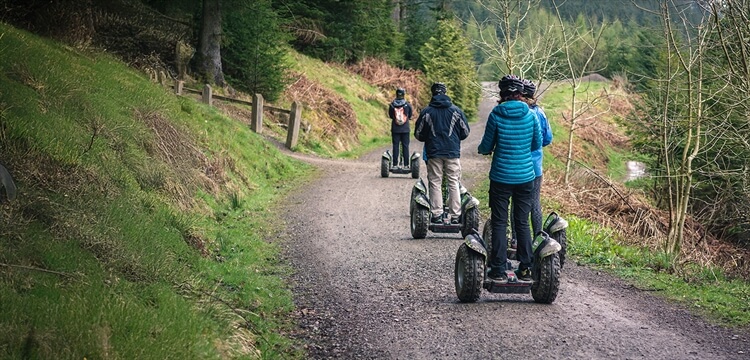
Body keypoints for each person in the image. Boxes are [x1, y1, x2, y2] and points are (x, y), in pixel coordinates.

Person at [478, 75, 541, 283]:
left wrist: (485, 150)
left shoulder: (496, 114)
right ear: (521, 94)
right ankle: (525, 268)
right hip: (525, 177)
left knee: (499, 222)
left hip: (501, 177)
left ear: (502, 93)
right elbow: (536, 144)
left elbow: (486, 146)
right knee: (522, 222)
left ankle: (497, 269)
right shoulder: (531, 115)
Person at [414, 82, 470, 225]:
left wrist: (429, 138)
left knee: (435, 182)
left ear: (432, 94)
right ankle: (456, 215)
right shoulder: (456, 111)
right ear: (445, 93)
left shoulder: (426, 112)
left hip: (434, 152)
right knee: (453, 182)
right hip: (452, 152)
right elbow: (465, 132)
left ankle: (437, 215)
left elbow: (418, 134)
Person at [510, 79, 553, 245]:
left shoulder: (519, 112)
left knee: (516, 202)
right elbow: (547, 138)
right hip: (535, 166)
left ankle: (515, 239)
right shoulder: (540, 112)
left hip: (517, 164)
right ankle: (537, 238)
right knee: (535, 201)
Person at [388, 88, 414, 169]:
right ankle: (406, 165)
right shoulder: (408, 105)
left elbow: (390, 116)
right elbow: (410, 116)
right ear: (404, 94)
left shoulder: (392, 105)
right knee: (405, 146)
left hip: (395, 129)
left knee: (395, 146)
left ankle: (395, 164)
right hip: (405, 129)